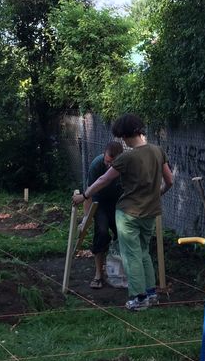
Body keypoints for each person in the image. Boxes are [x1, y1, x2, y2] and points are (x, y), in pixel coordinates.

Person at [72, 114, 174, 311]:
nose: (122, 141)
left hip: (128, 214)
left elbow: (103, 180)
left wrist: (84, 195)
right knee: (144, 252)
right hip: (150, 212)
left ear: (125, 135)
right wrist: (158, 193)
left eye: (122, 137)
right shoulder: (158, 151)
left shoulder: (128, 157)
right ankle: (151, 294)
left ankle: (139, 298)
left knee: (131, 256)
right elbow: (169, 181)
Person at [82, 140, 124, 289]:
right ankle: (98, 274)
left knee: (123, 234)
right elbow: (88, 193)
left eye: (113, 163)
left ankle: (121, 272)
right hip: (99, 202)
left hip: (119, 202)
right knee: (101, 232)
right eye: (107, 161)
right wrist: (86, 219)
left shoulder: (126, 165)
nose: (109, 165)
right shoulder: (96, 165)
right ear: (104, 155)